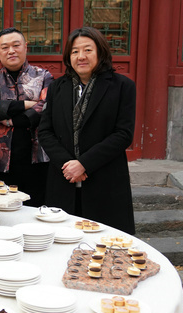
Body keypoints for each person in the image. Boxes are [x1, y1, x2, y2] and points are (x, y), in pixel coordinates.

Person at [38, 26, 136, 234]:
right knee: (63, 244)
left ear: (100, 52)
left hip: (104, 181)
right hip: (63, 180)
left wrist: (84, 164)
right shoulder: (57, 87)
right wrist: (68, 164)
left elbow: (123, 134)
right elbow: (45, 131)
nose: (81, 56)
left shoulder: (122, 86)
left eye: (88, 50)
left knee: (105, 247)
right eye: (75, 51)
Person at [0, 27, 53, 207]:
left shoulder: (44, 76)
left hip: (38, 158)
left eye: (16, 45)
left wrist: (11, 118)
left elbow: (46, 105)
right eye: (5, 47)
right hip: (1, 160)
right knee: (4, 209)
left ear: (25, 47)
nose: (11, 51)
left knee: (37, 209)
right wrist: (27, 104)